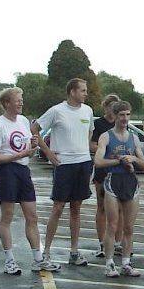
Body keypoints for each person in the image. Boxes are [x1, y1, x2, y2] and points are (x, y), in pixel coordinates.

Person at [0, 87, 60, 275]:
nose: (21, 103)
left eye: (22, 99)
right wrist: (19, 154)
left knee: (32, 216)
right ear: (6, 104)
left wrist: (33, 144)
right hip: (7, 172)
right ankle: (10, 260)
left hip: (23, 171)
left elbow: (27, 144)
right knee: (7, 217)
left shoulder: (23, 120)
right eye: (17, 100)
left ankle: (38, 259)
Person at [32, 78, 94, 267]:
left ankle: (74, 252)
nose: (86, 93)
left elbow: (89, 131)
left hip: (83, 163)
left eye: (86, 90)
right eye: (82, 90)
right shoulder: (56, 110)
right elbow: (34, 129)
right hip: (64, 165)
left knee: (76, 208)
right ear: (72, 92)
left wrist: (83, 148)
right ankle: (47, 252)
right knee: (58, 207)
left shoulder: (88, 110)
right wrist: (48, 153)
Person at [94, 101, 144, 277]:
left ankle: (126, 263)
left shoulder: (134, 137)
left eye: (128, 115)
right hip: (112, 181)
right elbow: (99, 161)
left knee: (129, 227)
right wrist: (119, 161)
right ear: (115, 116)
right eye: (121, 115)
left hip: (130, 182)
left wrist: (131, 158)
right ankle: (109, 264)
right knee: (112, 225)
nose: (125, 118)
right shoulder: (106, 136)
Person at [90, 94, 124, 258]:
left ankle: (118, 242)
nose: (114, 110)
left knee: (120, 208)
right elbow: (91, 144)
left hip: (119, 171)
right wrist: (106, 149)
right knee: (102, 206)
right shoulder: (98, 124)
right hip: (103, 170)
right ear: (106, 107)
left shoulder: (122, 124)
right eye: (111, 106)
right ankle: (102, 243)